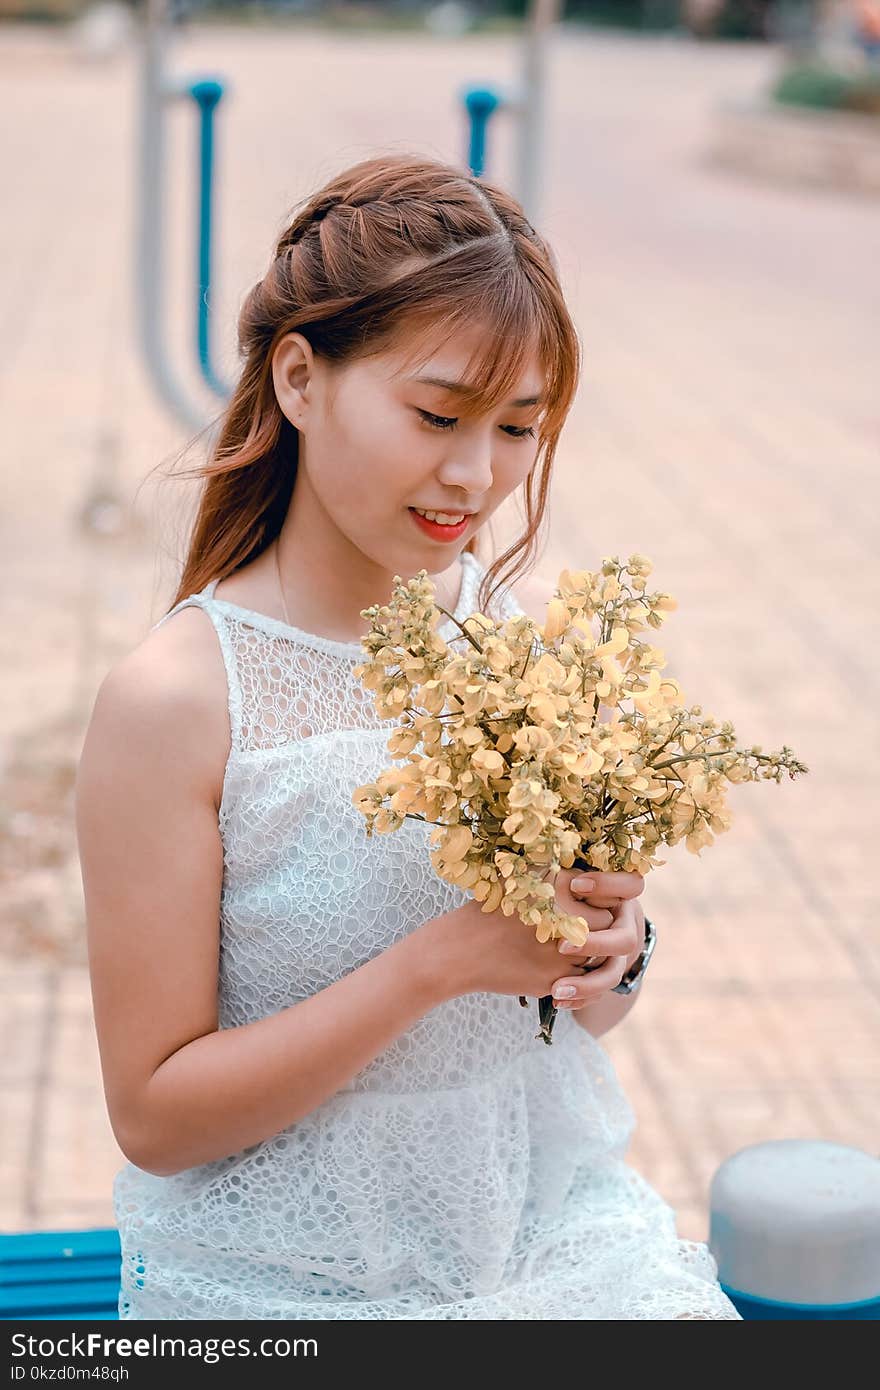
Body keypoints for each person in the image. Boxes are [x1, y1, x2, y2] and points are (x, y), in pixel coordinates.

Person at [75, 152, 741, 1320]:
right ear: (298, 378)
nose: (475, 476)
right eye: (436, 414)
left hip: (548, 1240)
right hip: (282, 1282)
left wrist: (612, 946)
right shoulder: (179, 700)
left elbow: (565, 1017)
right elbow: (155, 1116)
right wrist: (435, 967)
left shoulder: (506, 628)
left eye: (519, 428)